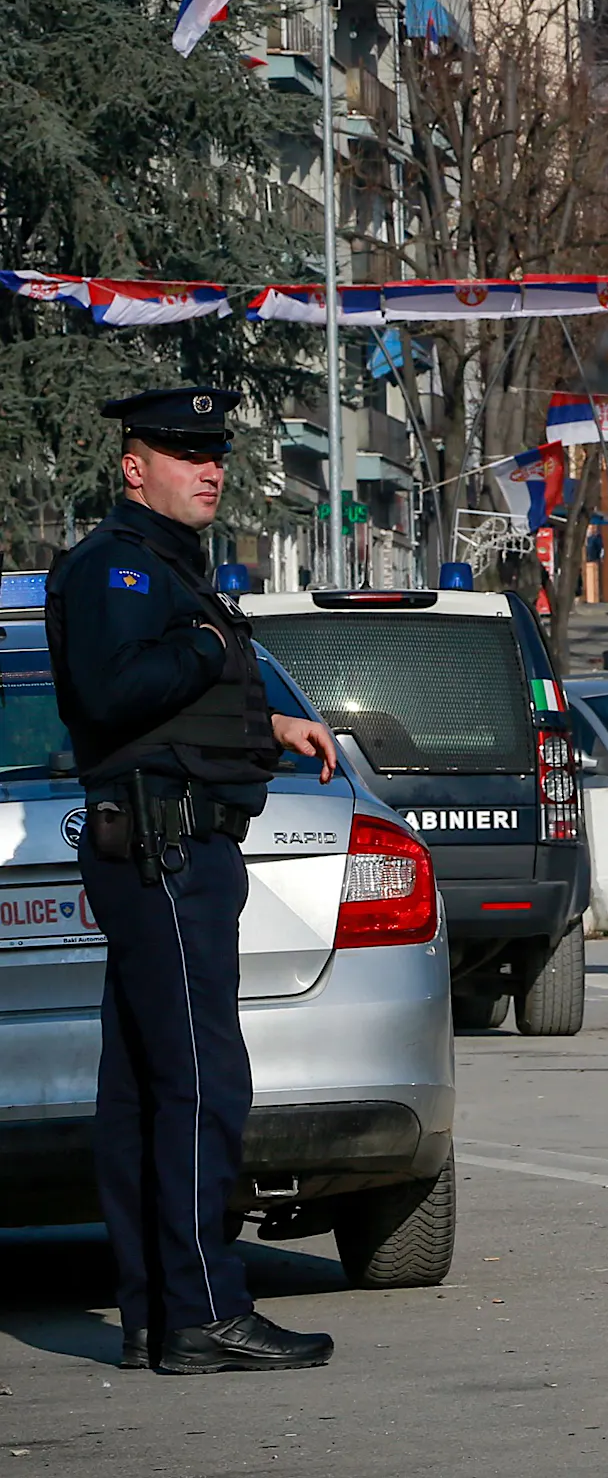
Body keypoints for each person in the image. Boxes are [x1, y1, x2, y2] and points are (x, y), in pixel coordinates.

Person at [46, 387, 340, 1377]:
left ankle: (156, 1315)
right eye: (185, 453)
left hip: (171, 847)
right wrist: (207, 643)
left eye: (215, 453)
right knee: (203, 1080)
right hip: (164, 851)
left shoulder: (168, 564)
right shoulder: (120, 565)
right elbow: (114, 691)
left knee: (144, 1084)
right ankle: (207, 1309)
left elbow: (174, 710)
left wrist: (270, 725)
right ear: (135, 467)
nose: (209, 468)